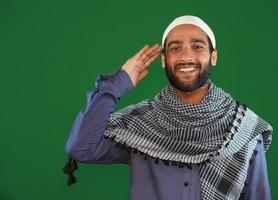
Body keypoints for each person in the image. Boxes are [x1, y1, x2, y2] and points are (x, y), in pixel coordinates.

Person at [64, 15, 273, 200]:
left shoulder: (243, 129)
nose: (185, 56)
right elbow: (81, 148)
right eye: (175, 48)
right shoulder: (141, 123)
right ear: (164, 60)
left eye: (198, 46)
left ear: (213, 56)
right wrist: (117, 84)